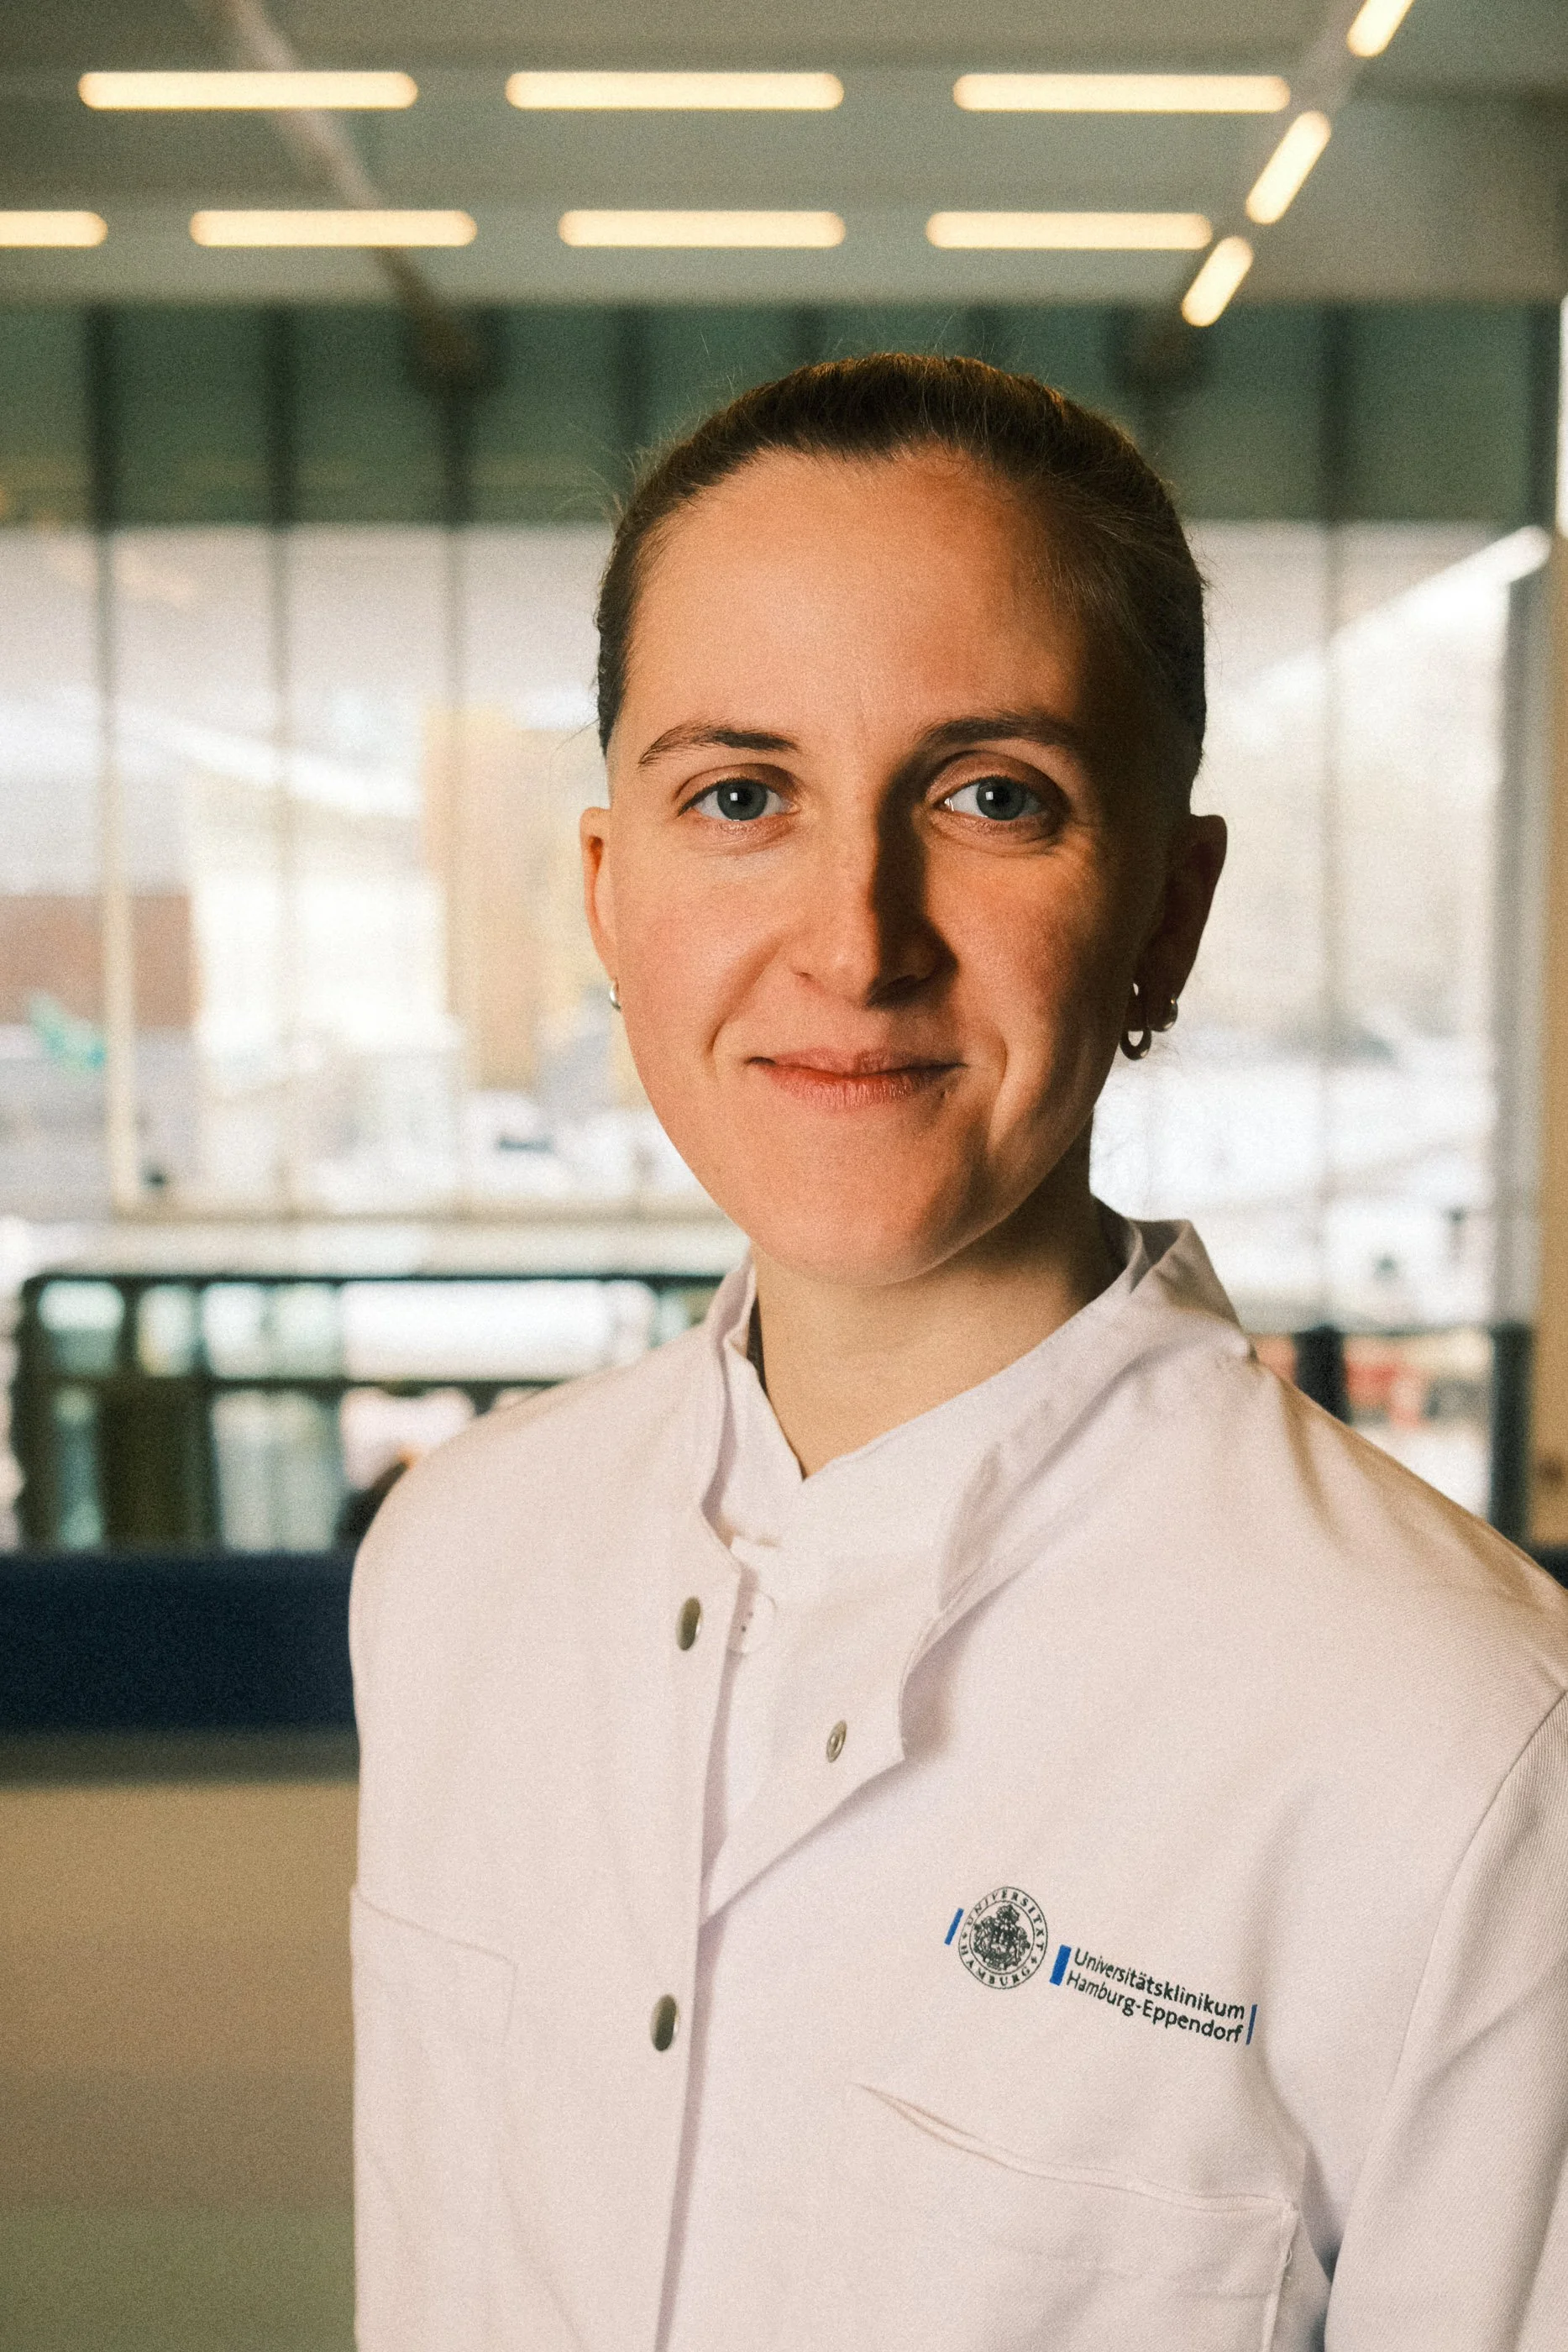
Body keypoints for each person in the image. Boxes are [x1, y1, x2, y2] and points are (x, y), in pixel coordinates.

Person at [349, 355, 1568, 2351]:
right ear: (607, 890)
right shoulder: (455, 1563)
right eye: (740, 795)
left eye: (991, 795)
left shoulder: (1463, 1741)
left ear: (1167, 911)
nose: (856, 935)